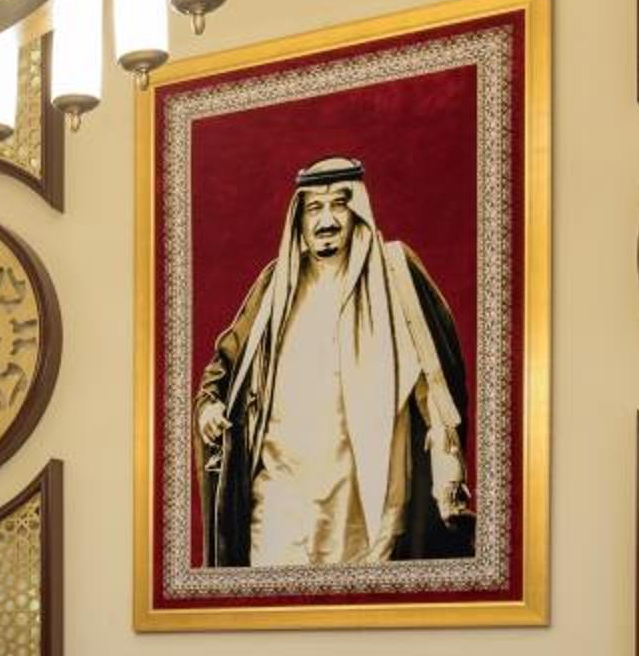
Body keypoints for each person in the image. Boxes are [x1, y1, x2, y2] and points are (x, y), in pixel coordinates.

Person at [195, 156, 474, 568]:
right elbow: (226, 361)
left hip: (362, 498)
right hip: (280, 491)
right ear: (299, 219)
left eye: (338, 205)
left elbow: (434, 379)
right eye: (314, 208)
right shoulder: (275, 285)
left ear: (357, 210)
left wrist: (447, 458)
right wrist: (209, 405)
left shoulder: (395, 273)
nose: (326, 220)